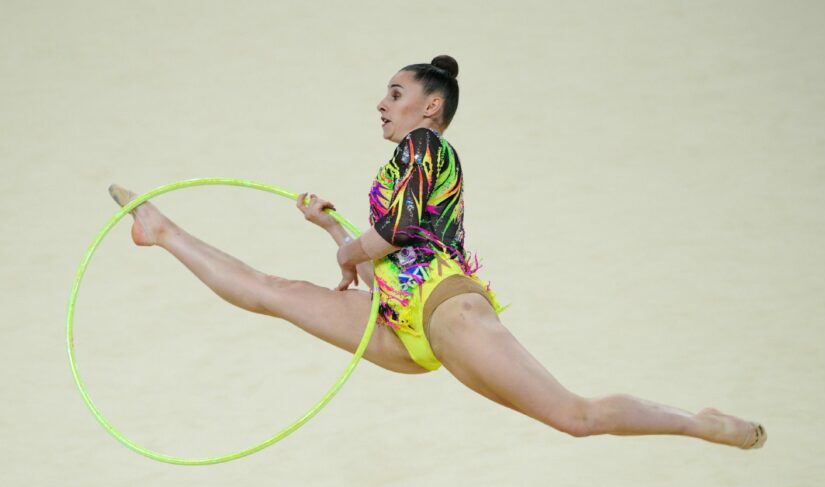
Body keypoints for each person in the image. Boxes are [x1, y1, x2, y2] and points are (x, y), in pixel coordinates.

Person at [108, 55, 766, 449]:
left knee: (576, 417)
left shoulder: (423, 148)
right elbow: (381, 252)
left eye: (394, 94)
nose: (381, 103)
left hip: (445, 309)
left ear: (430, 107)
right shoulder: (402, 167)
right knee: (273, 293)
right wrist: (333, 231)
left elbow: (392, 237)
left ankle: (697, 423)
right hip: (404, 324)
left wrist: (346, 247)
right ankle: (161, 231)